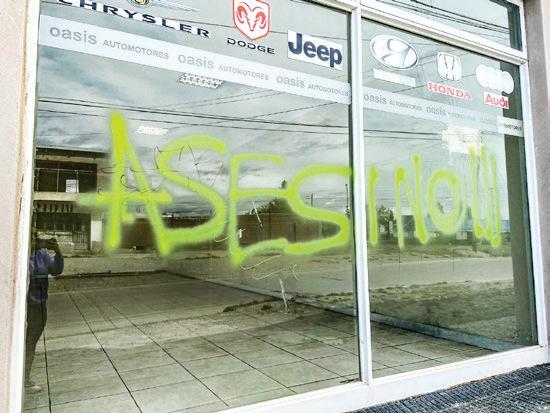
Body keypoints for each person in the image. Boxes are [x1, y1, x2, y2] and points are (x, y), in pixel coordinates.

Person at [25, 235, 64, 394]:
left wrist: (57, 251)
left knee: (30, 342)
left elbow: (56, 270)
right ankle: (22, 381)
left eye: (36, 236)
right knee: (22, 343)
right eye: (32, 237)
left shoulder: (41, 253)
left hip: (39, 304)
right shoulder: (21, 252)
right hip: (24, 305)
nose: (36, 239)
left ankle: (24, 378)